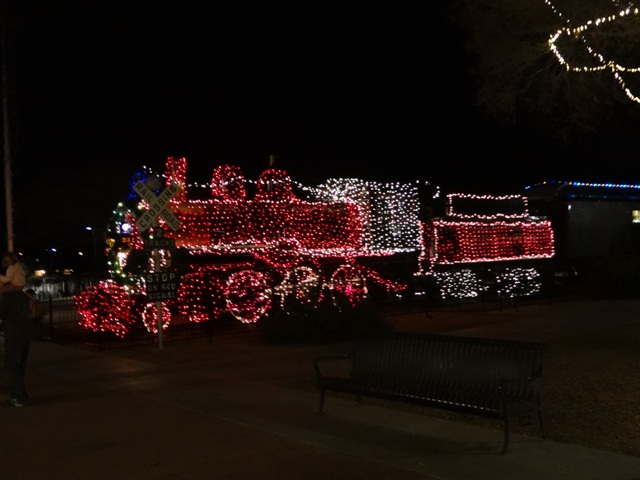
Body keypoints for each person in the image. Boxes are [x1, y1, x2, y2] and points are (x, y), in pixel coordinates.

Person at [0, 289, 33, 406]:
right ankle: (15, 395)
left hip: (13, 334)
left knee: (12, 365)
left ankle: (20, 396)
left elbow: (2, 312)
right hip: (24, 333)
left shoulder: (6, 296)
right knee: (19, 365)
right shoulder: (23, 296)